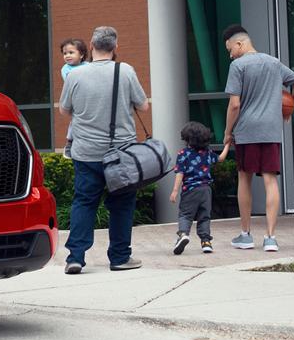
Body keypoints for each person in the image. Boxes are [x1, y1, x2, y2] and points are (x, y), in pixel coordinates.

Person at [55, 25, 149, 274]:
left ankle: (75, 257)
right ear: (115, 47)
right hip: (122, 153)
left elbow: (64, 110)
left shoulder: (75, 75)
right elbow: (143, 106)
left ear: (91, 45)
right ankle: (119, 258)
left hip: (86, 152)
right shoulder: (125, 71)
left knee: (84, 202)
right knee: (122, 204)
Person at [220, 25, 294, 253]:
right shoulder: (274, 62)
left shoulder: (237, 66)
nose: (230, 54)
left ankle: (246, 235)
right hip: (270, 130)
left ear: (240, 44)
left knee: (244, 179)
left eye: (230, 49)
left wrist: (228, 131)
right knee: (270, 180)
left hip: (247, 130)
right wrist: (290, 108)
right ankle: (270, 238)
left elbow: (235, 104)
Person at [168, 121, 217, 255]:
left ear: (187, 139)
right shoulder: (208, 153)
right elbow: (221, 159)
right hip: (206, 190)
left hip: (190, 190)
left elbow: (180, 173)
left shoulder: (183, 153)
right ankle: (206, 242)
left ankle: (183, 234)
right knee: (204, 217)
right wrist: (228, 145)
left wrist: (175, 191)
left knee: (185, 215)